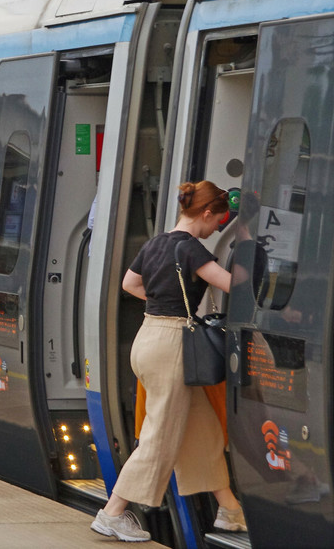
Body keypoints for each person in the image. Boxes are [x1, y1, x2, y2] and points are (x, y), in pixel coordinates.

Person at [91, 181, 243, 542]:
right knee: (160, 435)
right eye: (217, 222)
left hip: (148, 337)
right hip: (173, 344)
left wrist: (161, 302)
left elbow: (130, 283)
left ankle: (230, 510)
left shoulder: (156, 242)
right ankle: (112, 512)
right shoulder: (191, 249)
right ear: (205, 213)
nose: (216, 229)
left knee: (200, 429)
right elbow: (232, 286)